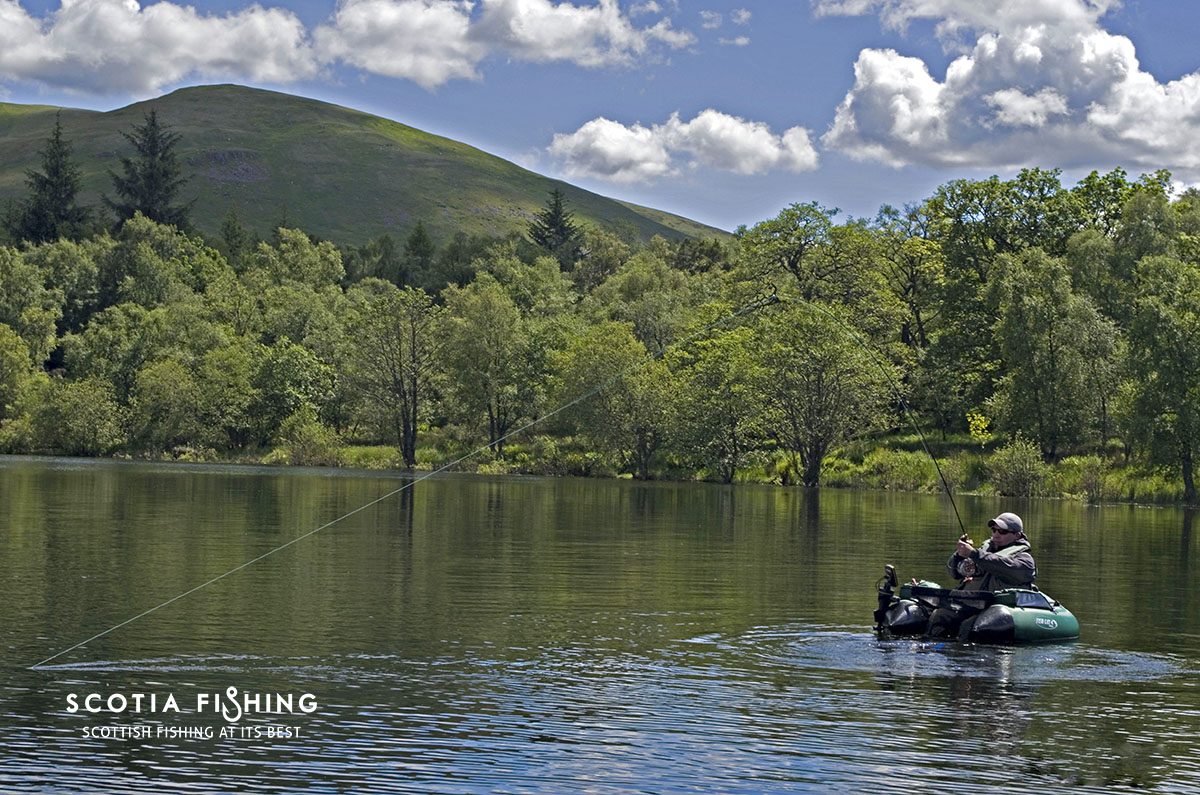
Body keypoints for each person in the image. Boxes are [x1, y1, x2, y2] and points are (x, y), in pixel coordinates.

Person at [925, 512, 1037, 639]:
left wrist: (974, 554)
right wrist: (959, 555)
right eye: (994, 530)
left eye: (1002, 532)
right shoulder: (982, 552)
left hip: (993, 612)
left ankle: (959, 652)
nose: (996, 535)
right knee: (939, 616)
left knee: (969, 625)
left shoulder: (1025, 560)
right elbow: (954, 573)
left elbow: (1004, 566)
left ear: (1017, 535)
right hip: (968, 605)